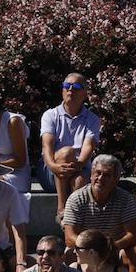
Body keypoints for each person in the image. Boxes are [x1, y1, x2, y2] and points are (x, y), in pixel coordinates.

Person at [61, 155, 136, 272]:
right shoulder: (76, 198)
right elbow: (69, 237)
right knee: (68, 254)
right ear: (91, 175)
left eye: (107, 175)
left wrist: (110, 246)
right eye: (97, 173)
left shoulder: (125, 199)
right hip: (86, 249)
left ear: (116, 179)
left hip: (113, 248)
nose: (100, 178)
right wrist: (92, 248)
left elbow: (132, 235)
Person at [38, 72, 101, 202]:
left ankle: (73, 217)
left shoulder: (93, 119)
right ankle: (61, 207)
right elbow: (46, 146)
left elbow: (89, 146)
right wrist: (52, 165)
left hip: (79, 167)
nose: (70, 89)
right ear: (62, 90)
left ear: (84, 94)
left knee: (80, 181)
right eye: (67, 85)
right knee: (67, 152)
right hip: (51, 170)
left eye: (76, 86)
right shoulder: (50, 115)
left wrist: (79, 165)